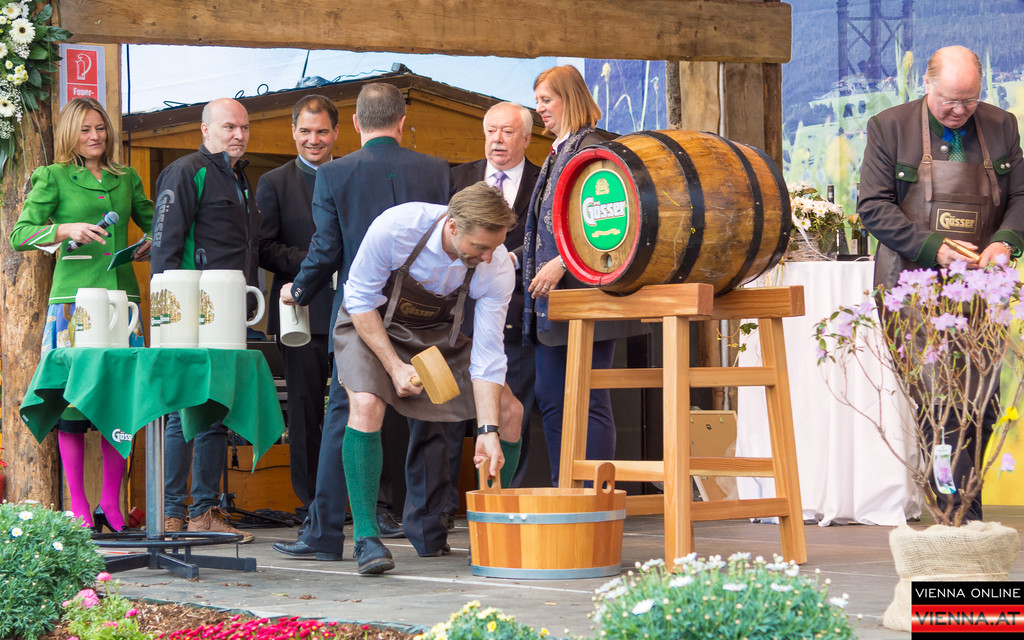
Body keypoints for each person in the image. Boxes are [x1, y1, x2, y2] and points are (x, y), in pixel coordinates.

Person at [272, 82, 452, 562]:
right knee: (431, 415)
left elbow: (325, 250)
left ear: (354, 123)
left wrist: (298, 291)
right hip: (424, 312)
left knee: (343, 418)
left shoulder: (335, 174)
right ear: (402, 121)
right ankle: (429, 531)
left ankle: (324, 532)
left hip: (358, 311)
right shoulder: (437, 171)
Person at [857, 45, 1024, 522]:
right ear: (926, 84)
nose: (960, 110)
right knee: (940, 405)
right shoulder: (889, 128)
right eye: (950, 100)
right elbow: (873, 207)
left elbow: (1021, 196)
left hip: (980, 288)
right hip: (913, 288)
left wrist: (1005, 242)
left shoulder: (1001, 125)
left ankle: (965, 503)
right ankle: (954, 511)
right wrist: (934, 248)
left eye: (970, 100)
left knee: (984, 403)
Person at [325, 182, 523, 574]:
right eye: (480, 247)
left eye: (494, 247)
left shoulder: (496, 264)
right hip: (374, 325)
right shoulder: (395, 228)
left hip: (439, 337)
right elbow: (359, 299)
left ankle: (493, 531)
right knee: (365, 403)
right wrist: (394, 366)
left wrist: (488, 429)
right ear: (452, 226)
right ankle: (366, 538)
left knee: (510, 411)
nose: (488, 257)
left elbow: (488, 355)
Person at [9, 97, 153, 532]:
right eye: (86, 129)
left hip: (122, 301)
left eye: (101, 128)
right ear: (71, 134)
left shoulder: (126, 177)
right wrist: (64, 229)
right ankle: (78, 506)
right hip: (72, 303)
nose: (95, 136)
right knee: (71, 402)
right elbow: (19, 234)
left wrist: (152, 242)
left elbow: (155, 222)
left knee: (119, 401)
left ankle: (111, 504)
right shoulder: (52, 176)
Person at [522, 65, 639, 485]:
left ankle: (594, 496)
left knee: (588, 398)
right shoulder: (560, 150)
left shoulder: (594, 149)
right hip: (554, 302)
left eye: (546, 100)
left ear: (569, 99)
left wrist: (563, 263)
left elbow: (612, 225)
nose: (540, 109)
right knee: (553, 397)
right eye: (537, 101)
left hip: (586, 295)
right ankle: (565, 490)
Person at [150, 97, 261, 542]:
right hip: (190, 313)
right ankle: (172, 513)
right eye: (229, 126)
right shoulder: (186, 171)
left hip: (229, 313)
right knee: (184, 411)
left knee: (215, 411)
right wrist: (168, 316)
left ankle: (204, 512)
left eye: (244, 127)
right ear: (205, 129)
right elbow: (164, 246)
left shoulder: (240, 177)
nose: (238, 134)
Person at [444, 102, 540, 527]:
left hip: (514, 316)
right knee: (447, 421)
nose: (497, 139)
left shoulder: (543, 181)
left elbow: (545, 240)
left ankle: (502, 509)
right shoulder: (456, 178)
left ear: (527, 138)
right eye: (491, 131)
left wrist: (510, 263)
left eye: (507, 132)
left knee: (510, 413)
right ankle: (444, 510)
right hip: (454, 320)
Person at [257, 95, 339, 519]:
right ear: (292, 131)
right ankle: (312, 504)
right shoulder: (274, 182)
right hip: (299, 312)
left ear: (336, 133)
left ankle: (356, 497)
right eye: (305, 131)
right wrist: (314, 264)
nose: (314, 140)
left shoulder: (350, 174)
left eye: (322, 131)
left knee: (353, 406)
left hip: (351, 310)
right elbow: (264, 248)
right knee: (305, 410)